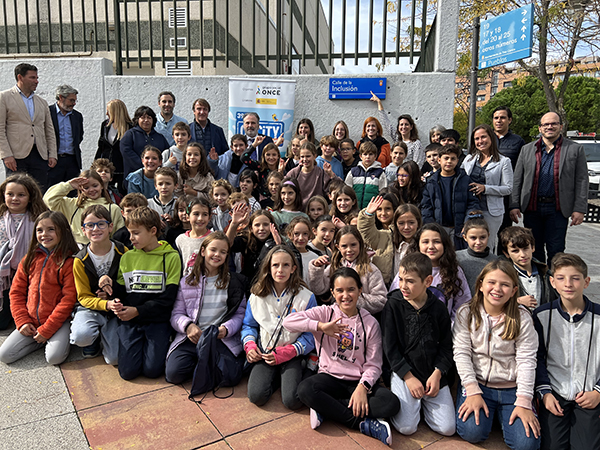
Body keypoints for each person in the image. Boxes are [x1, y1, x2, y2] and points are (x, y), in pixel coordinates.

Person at [284, 267, 400, 446]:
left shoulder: (370, 323)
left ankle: (327, 408)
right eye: (339, 290)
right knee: (305, 390)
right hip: (329, 378)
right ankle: (360, 424)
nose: (345, 295)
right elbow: (288, 322)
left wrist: (362, 388)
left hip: (357, 381)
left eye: (351, 289)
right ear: (332, 292)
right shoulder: (325, 313)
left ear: (360, 290)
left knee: (390, 403)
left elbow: (374, 364)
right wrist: (320, 326)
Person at [453, 260, 540, 450]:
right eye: (492, 282)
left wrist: (524, 401)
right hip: (478, 384)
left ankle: (501, 415)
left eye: (505, 284)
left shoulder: (522, 318)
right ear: (481, 285)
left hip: (512, 388)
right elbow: (461, 353)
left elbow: (527, 360)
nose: (497, 289)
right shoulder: (466, 313)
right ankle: (492, 415)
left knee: (526, 444)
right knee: (472, 432)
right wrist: (472, 390)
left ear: (514, 290)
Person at [383, 252, 455, 437]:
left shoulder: (438, 308)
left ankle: (421, 404)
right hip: (405, 372)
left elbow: (447, 346)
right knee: (407, 428)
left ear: (428, 281)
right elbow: (390, 348)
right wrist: (408, 377)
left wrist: (438, 373)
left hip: (433, 374)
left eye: (410, 281)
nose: (403, 286)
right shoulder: (393, 304)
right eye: (401, 279)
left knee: (447, 428)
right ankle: (412, 406)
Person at [533, 253, 600, 450]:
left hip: (589, 395)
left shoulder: (598, 317)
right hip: (555, 395)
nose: (568, 284)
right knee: (553, 447)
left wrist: (598, 392)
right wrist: (545, 392)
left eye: (575, 278)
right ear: (552, 282)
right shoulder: (542, 315)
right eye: (561, 278)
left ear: (586, 282)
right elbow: (537, 357)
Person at [165, 232, 247, 385]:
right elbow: (176, 313)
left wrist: (226, 329)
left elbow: (240, 314)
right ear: (203, 251)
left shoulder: (234, 282)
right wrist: (188, 326)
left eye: (223, 252)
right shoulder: (187, 281)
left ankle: (208, 363)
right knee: (173, 374)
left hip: (218, 338)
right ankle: (204, 363)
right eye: (213, 250)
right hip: (191, 338)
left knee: (230, 378)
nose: (217, 255)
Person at [109, 207, 182, 380]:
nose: (131, 238)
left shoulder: (171, 257)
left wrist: (138, 310)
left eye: (135, 233)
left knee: (152, 371)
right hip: (131, 320)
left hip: (157, 320)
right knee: (127, 373)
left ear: (153, 231)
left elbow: (168, 298)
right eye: (129, 233)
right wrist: (110, 288)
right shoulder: (128, 257)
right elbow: (123, 290)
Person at [242, 245, 317, 409]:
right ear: (268, 268)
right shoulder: (256, 295)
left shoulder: (306, 297)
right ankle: (277, 378)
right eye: (275, 265)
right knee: (256, 396)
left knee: (292, 401)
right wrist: (249, 345)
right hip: (266, 352)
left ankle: (308, 367)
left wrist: (291, 350)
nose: (280, 270)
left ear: (293, 268)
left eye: (286, 265)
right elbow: (249, 325)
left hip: (292, 352)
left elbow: (311, 333)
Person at [0, 211, 78, 365]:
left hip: (59, 322)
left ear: (63, 231)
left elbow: (68, 299)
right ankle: (38, 341)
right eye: (39, 230)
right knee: (5, 355)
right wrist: (22, 321)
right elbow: (16, 292)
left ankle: (52, 339)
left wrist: (47, 329)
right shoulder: (29, 258)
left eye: (51, 229)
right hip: (31, 321)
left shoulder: (69, 261)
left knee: (53, 358)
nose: (44, 234)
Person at [510, 112, 588, 264]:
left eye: (553, 123)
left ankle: (554, 284)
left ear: (561, 126)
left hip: (557, 208)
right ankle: (539, 284)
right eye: (546, 124)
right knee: (533, 248)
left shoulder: (574, 149)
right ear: (540, 128)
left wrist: (579, 208)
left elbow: (582, 180)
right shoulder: (527, 149)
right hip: (533, 207)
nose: (549, 127)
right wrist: (514, 204)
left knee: (556, 249)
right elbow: (517, 179)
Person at [69, 205, 127, 363]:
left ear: (110, 227)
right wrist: (105, 304)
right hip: (90, 308)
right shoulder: (80, 260)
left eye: (101, 224)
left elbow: (129, 283)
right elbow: (83, 297)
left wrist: (113, 297)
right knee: (81, 336)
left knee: (114, 359)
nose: (95, 229)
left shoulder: (123, 251)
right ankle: (92, 339)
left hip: (117, 308)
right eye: (90, 225)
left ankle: (106, 334)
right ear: (83, 230)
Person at [390, 224, 472, 322]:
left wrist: (450, 327)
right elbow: (394, 301)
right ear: (418, 244)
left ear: (444, 245)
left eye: (437, 242)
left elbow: (463, 305)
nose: (431, 246)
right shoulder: (407, 269)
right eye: (425, 242)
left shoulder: (454, 271)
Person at [0, 174, 48, 330]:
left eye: (21, 195)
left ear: (30, 197)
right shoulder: (1, 218)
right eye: (10, 194)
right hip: (4, 275)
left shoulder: (38, 220)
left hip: (31, 273)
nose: (15, 198)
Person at [0, 63, 57, 191]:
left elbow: (49, 130)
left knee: (40, 191)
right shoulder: (4, 97)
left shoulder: (42, 102)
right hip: (15, 154)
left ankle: (38, 212)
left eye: (37, 78)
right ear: (20, 77)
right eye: (32, 78)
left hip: (39, 154)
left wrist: (52, 154)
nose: (36, 81)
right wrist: (6, 154)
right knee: (15, 189)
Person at [308, 226, 387, 315]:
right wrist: (317, 269)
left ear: (360, 244)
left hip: (363, 319)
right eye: (344, 246)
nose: (349, 250)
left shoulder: (370, 270)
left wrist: (353, 299)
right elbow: (318, 289)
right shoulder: (335, 266)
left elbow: (381, 300)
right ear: (338, 247)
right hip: (337, 318)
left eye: (353, 245)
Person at [462, 124, 513, 253]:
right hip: (470, 209)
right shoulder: (469, 159)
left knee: (486, 246)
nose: (480, 141)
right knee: (468, 245)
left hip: (491, 211)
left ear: (491, 137)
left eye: (483, 137)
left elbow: (508, 188)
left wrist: (485, 188)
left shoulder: (503, 161)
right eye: (477, 138)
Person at [421, 144, 480, 249]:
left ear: (457, 161)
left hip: (459, 227)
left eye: (453, 159)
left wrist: (468, 222)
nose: (449, 161)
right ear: (439, 160)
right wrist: (432, 226)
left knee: (458, 257)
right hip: (439, 227)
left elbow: (473, 203)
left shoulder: (465, 180)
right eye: (446, 158)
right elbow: (426, 206)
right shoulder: (431, 182)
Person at [43, 169, 125, 245]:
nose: (91, 190)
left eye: (95, 185)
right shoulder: (73, 205)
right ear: (81, 189)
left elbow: (119, 235)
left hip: (104, 251)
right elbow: (49, 199)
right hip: (77, 251)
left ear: (102, 186)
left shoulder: (113, 208)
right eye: (86, 187)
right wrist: (69, 185)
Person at [358, 196, 422, 285]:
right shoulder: (386, 237)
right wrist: (368, 214)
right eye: (401, 223)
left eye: (411, 222)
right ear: (395, 223)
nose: (406, 227)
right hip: (389, 288)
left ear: (418, 223)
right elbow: (366, 233)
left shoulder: (423, 242)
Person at [492, 106, 526, 255]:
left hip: (506, 197)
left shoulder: (517, 142)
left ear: (509, 120)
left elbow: (519, 174)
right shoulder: (486, 139)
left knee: (504, 235)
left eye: (503, 117)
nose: (499, 120)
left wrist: (514, 204)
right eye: (496, 118)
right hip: (487, 194)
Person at [500, 226, 556, 310]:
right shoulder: (503, 275)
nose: (522, 255)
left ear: (532, 247)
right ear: (506, 254)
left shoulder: (545, 273)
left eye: (525, 248)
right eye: (515, 251)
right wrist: (517, 301)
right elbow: (492, 301)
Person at [370, 93, 425, 167]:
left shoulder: (416, 144)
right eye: (401, 124)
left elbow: (418, 164)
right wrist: (379, 103)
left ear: (411, 127)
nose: (403, 127)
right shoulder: (397, 139)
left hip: (409, 175)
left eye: (406, 124)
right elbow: (386, 123)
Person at [48, 85, 84, 187]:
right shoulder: (47, 112)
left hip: (72, 161)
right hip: (53, 161)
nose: (74, 104)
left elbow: (79, 136)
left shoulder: (77, 116)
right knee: (52, 192)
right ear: (60, 97)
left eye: (75, 101)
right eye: (71, 100)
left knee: (72, 193)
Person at [120, 106, 170, 179]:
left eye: (149, 118)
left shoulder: (160, 137)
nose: (146, 120)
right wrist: (144, 166)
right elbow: (126, 152)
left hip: (157, 177)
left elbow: (167, 153)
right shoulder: (130, 135)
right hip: (135, 177)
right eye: (143, 117)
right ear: (137, 120)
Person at [456, 211, 499, 295]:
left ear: (488, 235)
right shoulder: (456, 258)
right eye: (473, 238)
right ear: (465, 237)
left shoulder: (496, 261)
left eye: (482, 237)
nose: (478, 242)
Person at [95, 99, 133, 194]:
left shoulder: (130, 127)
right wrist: (96, 163)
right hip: (106, 165)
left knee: (121, 193)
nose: (107, 113)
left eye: (109, 111)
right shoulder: (105, 125)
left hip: (122, 166)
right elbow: (101, 146)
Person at [286, 142, 338, 209]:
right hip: (298, 212)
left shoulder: (321, 174)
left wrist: (331, 174)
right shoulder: (294, 173)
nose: (305, 159)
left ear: (314, 156)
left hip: (316, 212)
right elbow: (284, 189)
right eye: (302, 156)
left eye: (308, 156)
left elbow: (338, 188)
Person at [345, 141, 388, 209]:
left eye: (370, 154)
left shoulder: (380, 173)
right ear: (360, 156)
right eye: (365, 154)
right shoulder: (353, 172)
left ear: (375, 156)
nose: (368, 157)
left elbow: (383, 193)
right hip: (354, 209)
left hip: (372, 210)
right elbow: (347, 191)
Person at [176, 197, 212, 275]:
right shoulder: (180, 239)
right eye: (196, 214)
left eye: (205, 214)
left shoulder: (214, 238)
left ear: (209, 217)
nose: (200, 218)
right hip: (187, 284)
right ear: (188, 216)